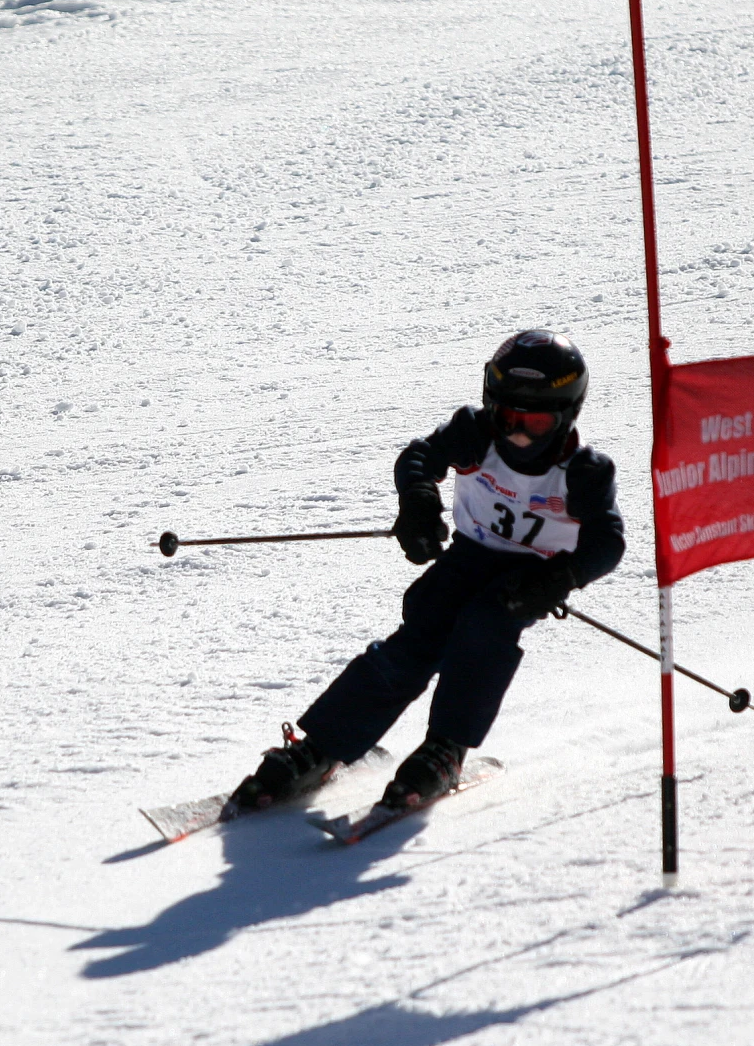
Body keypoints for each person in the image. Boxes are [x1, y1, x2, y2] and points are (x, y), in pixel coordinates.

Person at [235, 329, 626, 814]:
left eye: (537, 421)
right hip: (469, 554)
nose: (519, 432)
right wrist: (419, 502)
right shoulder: (475, 432)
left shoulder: (584, 471)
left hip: (528, 578)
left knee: (484, 629)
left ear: (567, 415)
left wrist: (561, 578)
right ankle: (324, 745)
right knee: (420, 634)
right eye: (509, 417)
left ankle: (447, 747)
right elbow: (419, 458)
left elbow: (607, 543)